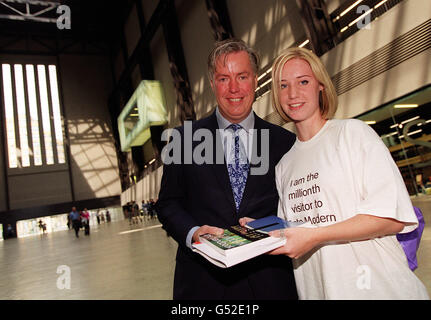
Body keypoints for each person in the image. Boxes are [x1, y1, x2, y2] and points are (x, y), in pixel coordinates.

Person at [267, 46, 429, 299]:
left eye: (303, 81)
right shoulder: (284, 165)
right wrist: (258, 232)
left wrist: (315, 236)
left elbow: (392, 218)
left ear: (320, 85)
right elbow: (295, 230)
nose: (293, 93)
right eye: (283, 85)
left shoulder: (352, 134)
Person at [156, 38, 297, 300]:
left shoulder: (285, 142)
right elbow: (167, 204)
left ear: (255, 80)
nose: (233, 88)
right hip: (204, 283)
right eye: (223, 79)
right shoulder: (183, 140)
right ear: (212, 84)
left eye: (242, 76)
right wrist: (193, 233)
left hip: (271, 282)